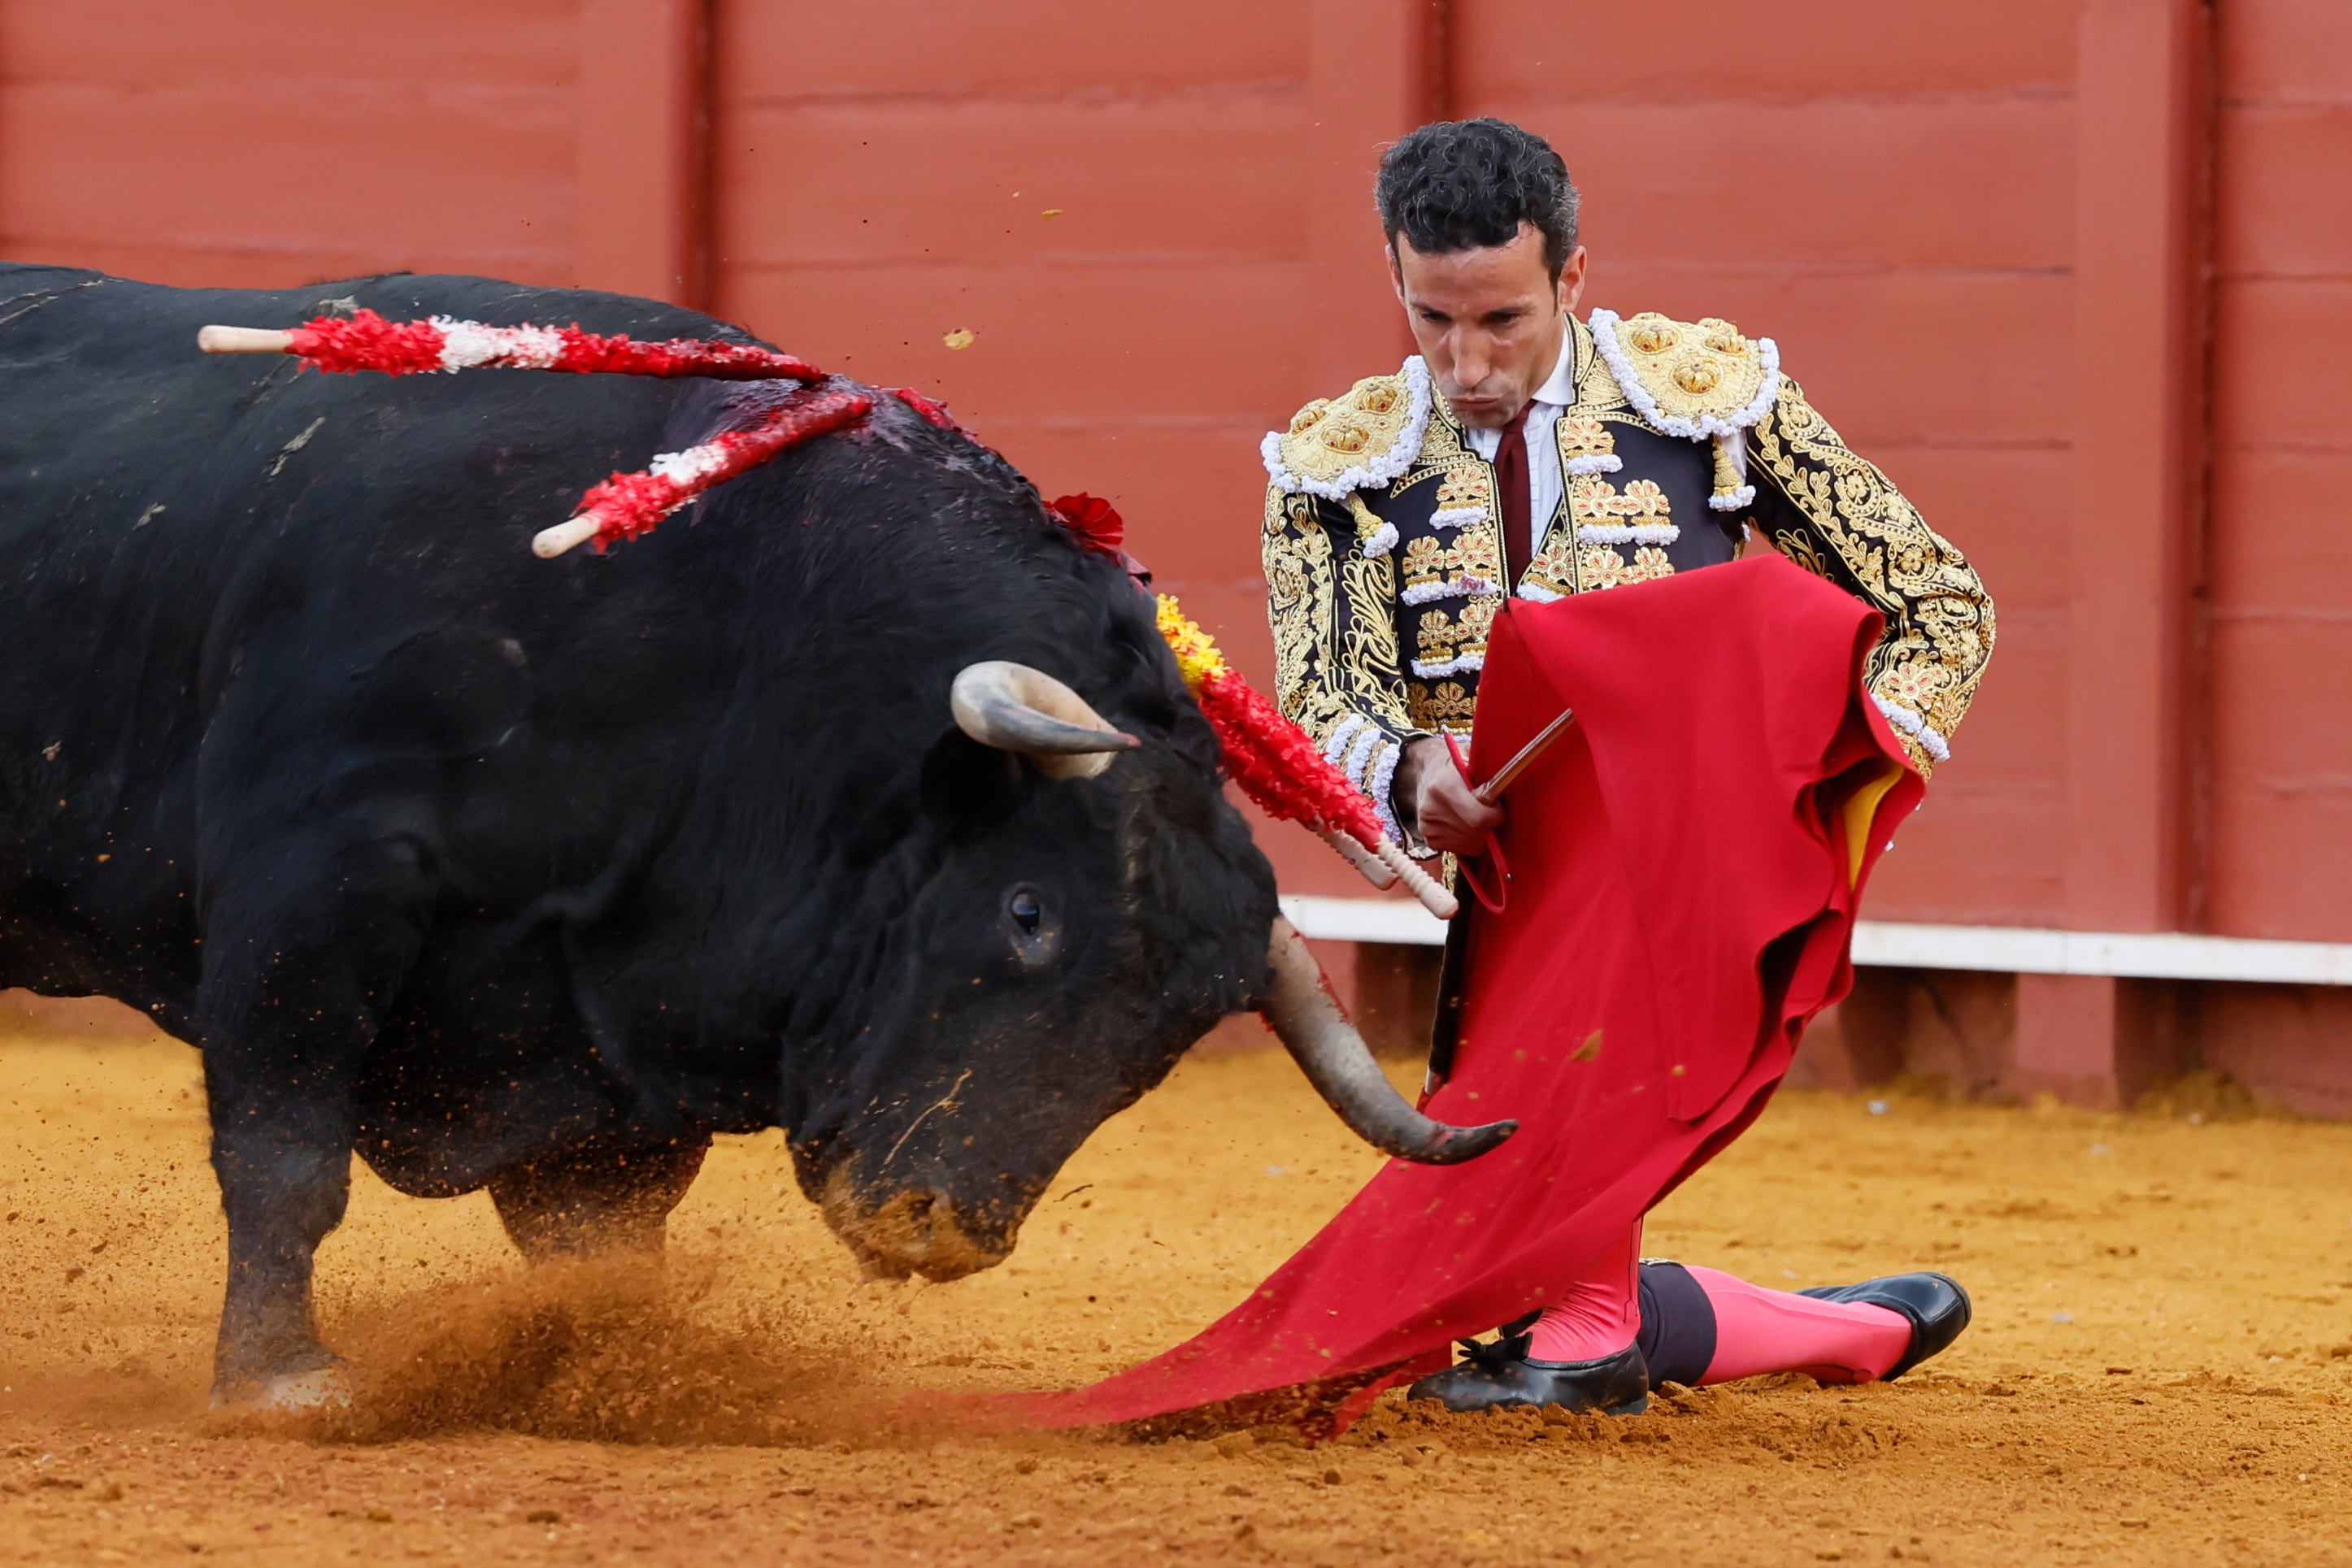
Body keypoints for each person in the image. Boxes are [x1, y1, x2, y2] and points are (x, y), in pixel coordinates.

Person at [1259, 119, 1994, 1414]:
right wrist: (1409, 764)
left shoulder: (1705, 400)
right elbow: (1323, 695)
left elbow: (1938, 602)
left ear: (1574, 278)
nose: (1464, 361)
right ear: (1396, 282)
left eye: (1500, 319)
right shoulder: (1337, 464)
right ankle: (1843, 1332)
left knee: (1513, 1252)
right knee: (1491, 1277)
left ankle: (1593, 1332)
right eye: (1431, 319)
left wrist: (1813, 786)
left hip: (1673, 867)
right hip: (1503, 895)